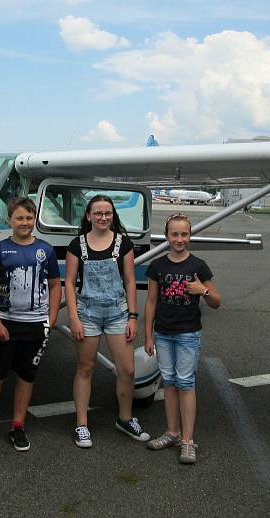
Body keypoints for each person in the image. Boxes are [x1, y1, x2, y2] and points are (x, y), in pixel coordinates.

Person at [0, 197, 61, 453]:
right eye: (19, 218)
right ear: (9, 219)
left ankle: (18, 425)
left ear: (35, 220)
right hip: (5, 324)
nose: (25, 222)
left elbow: (55, 285)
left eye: (29, 218)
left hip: (35, 325)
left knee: (26, 376)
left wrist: (50, 321)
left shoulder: (46, 249)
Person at [64, 194, 150, 448]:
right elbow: (69, 283)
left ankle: (125, 418)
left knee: (128, 370)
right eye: (98, 213)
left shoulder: (123, 243)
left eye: (108, 213)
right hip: (87, 313)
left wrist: (133, 316)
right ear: (88, 216)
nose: (103, 217)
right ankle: (81, 424)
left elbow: (130, 281)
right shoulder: (76, 245)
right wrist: (74, 318)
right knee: (85, 368)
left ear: (113, 216)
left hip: (117, 312)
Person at [143, 213, 221, 464]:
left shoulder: (198, 266)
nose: (179, 239)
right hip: (163, 334)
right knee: (169, 382)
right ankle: (172, 433)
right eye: (174, 234)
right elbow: (152, 301)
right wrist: (148, 334)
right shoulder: (157, 266)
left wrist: (203, 290)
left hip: (188, 334)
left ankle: (188, 440)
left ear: (190, 235)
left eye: (184, 234)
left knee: (185, 383)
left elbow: (217, 301)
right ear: (166, 236)